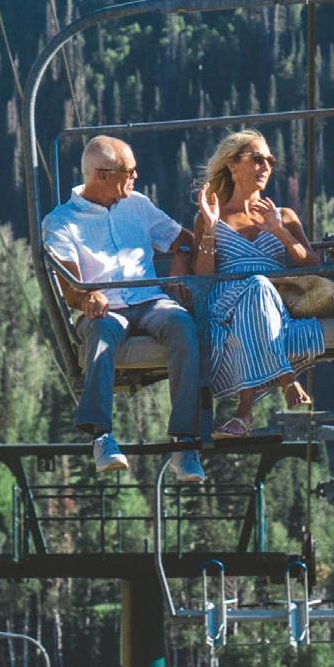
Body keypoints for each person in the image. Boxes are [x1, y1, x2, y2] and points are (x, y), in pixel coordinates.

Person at [42, 135, 204, 479]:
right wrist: (87, 297)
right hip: (105, 310)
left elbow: (183, 239)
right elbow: (69, 288)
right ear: (101, 175)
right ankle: (102, 437)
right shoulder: (61, 222)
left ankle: (185, 441)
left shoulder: (138, 205)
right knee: (101, 334)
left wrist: (180, 257)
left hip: (150, 301)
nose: (135, 177)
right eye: (128, 171)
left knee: (182, 325)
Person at [193, 131, 325, 437]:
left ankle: (244, 415)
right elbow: (201, 277)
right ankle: (286, 377)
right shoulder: (212, 215)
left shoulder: (283, 216)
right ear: (232, 165)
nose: (265, 166)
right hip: (225, 300)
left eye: (270, 160)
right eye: (256, 159)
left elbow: (314, 267)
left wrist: (280, 232)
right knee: (256, 285)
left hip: (273, 304)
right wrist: (210, 228)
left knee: (259, 287)